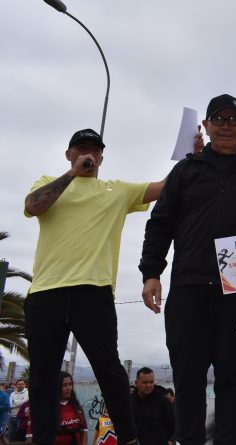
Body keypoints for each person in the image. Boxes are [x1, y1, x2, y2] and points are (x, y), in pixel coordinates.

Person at [140, 94, 236, 444]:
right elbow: (159, 225)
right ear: (205, 125)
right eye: (219, 119)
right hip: (188, 289)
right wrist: (151, 273)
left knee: (231, 376)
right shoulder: (185, 171)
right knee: (188, 379)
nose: (226, 126)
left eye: (234, 120)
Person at [23, 128, 162, 445]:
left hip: (93, 291)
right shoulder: (47, 182)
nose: (89, 154)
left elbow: (165, 187)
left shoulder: (117, 191)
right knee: (43, 376)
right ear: (69, 154)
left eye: (95, 150)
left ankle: (128, 438)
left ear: (102, 156)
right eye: (81, 148)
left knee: (109, 370)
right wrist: (72, 174)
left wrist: (192, 157)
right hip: (46, 292)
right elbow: (33, 206)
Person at [28, 372, 88, 445]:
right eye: (64, 385)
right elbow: (30, 435)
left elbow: (84, 430)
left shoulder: (76, 406)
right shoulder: (45, 408)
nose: (68, 388)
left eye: (70, 384)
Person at [130, 368, 174, 445]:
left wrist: (171, 441)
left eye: (151, 382)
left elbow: (173, 424)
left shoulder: (162, 400)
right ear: (136, 383)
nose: (149, 385)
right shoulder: (130, 401)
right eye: (145, 382)